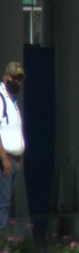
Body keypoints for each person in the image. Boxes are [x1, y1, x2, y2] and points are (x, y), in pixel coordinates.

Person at [0, 62, 25, 238]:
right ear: (6, 77)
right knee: (3, 204)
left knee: (6, 204)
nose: (17, 82)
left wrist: (19, 157)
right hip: (5, 162)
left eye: (20, 79)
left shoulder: (13, 101)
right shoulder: (1, 98)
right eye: (14, 78)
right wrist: (5, 160)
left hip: (13, 161)